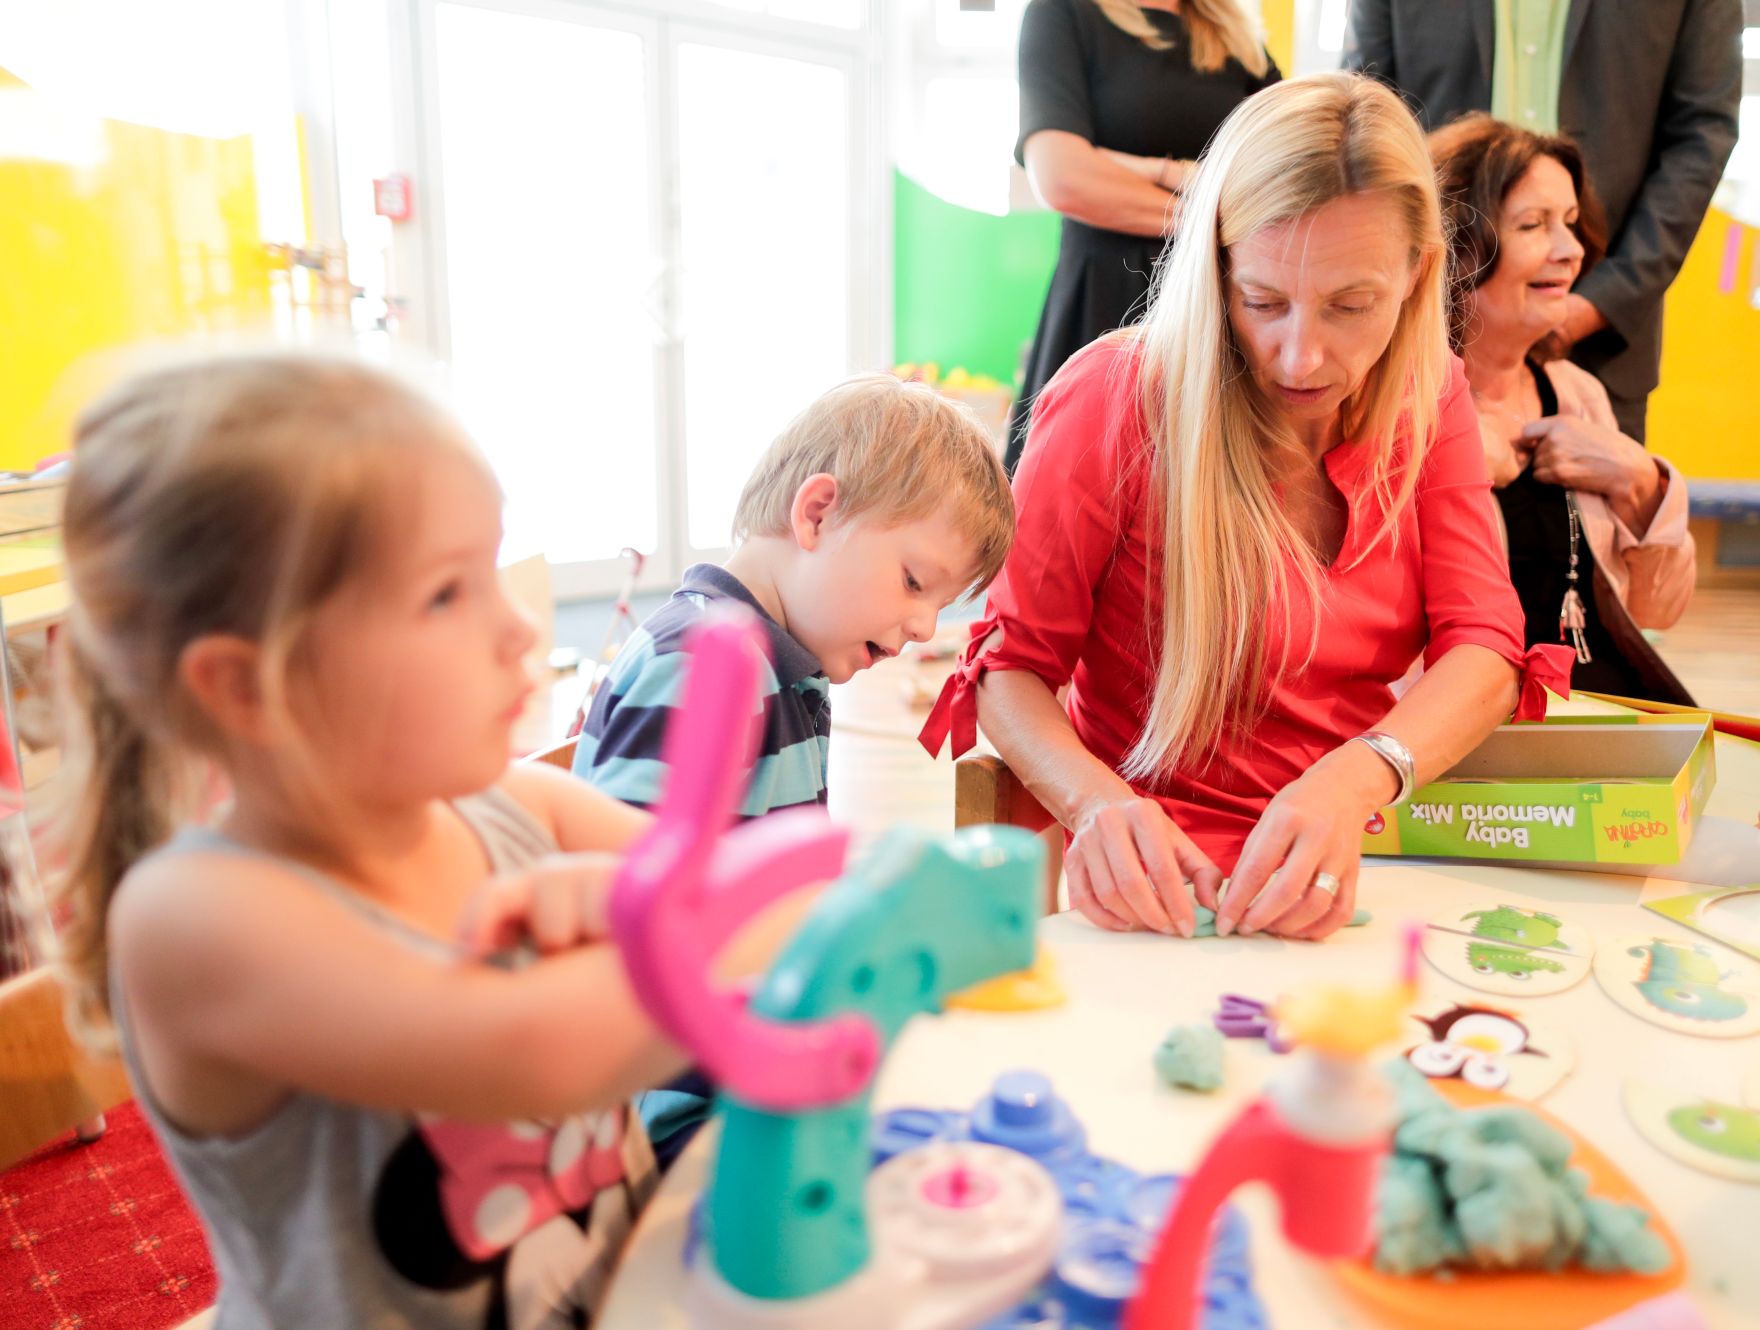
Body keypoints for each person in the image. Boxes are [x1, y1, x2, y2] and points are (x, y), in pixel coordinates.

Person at [51, 353, 757, 1329]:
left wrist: (690, 903)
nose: (516, 630)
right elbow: (550, 1048)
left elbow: (756, 889)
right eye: (444, 594)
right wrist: (693, 914)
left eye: (493, 569)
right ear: (250, 687)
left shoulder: (526, 809)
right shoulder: (197, 917)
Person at [921, 73, 1573, 944]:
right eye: (1262, 300)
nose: (1300, 355)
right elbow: (1009, 670)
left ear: (1418, 275)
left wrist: (1359, 777)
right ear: (1215, 264)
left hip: (1363, 862)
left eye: (1352, 305)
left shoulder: (1431, 393)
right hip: (1151, 893)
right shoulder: (1115, 400)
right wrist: (1096, 806)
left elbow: (1485, 645)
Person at [574, 371, 1014, 1164]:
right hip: (684, 1123)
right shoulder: (703, 668)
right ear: (816, 513)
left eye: (940, 606)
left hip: (749, 1076)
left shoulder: (789, 671)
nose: (920, 626)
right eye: (915, 583)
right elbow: (625, 933)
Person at [1344, 0, 1743, 442]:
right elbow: (1367, 122)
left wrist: (1603, 299)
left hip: (1599, 339)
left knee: (1598, 506)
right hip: (1424, 337)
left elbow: (1702, 133)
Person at [1432, 114, 1698, 704]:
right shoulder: (1401, 407)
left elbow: (1659, 608)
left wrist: (1641, 484)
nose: (1571, 250)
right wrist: (1463, 467)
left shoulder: (1577, 393)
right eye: (1534, 225)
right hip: (1471, 727)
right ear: (1455, 247)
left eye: (1573, 224)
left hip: (1600, 710)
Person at [1005, 0, 1279, 472]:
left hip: (1219, 302)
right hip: (1106, 300)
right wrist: (1199, 203)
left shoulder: (1236, 36)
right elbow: (1063, 176)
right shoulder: (1064, 13)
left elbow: (1278, 166)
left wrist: (1120, 163)